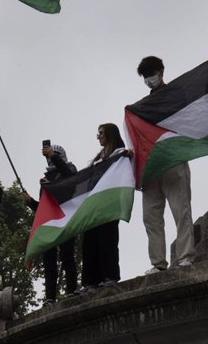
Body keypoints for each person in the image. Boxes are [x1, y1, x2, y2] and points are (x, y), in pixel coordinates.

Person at [136, 56, 195, 273]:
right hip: (151, 166)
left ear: (161, 71)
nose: (148, 79)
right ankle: (158, 263)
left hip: (173, 160)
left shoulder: (177, 96)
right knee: (151, 217)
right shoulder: (142, 107)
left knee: (181, 210)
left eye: (150, 74)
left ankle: (186, 256)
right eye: (145, 76)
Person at [23, 143, 77, 304]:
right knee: (49, 261)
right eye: (48, 156)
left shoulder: (70, 169)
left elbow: (69, 182)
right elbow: (44, 208)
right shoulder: (46, 178)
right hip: (50, 224)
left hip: (66, 219)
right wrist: (30, 201)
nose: (49, 159)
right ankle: (50, 296)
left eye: (52, 156)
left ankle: (72, 290)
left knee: (67, 257)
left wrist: (54, 156)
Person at [80, 123, 126, 291]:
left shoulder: (120, 154)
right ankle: (91, 281)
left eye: (101, 133)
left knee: (108, 240)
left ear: (110, 135)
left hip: (110, 205)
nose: (98, 136)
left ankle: (110, 276)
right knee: (91, 241)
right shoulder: (97, 159)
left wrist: (127, 156)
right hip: (94, 207)